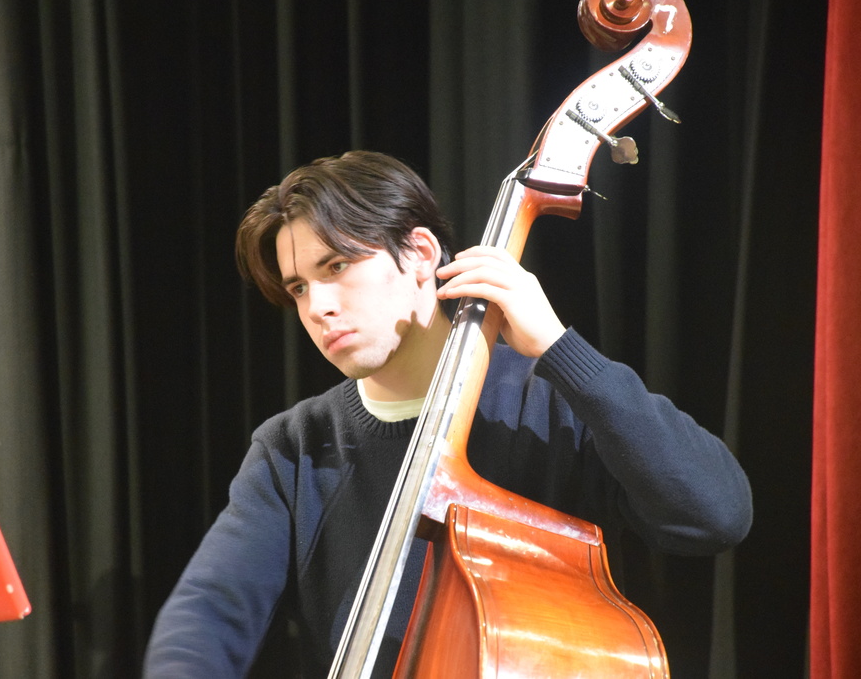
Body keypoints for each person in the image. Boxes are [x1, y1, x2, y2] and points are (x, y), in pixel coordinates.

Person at [143, 150, 753, 677]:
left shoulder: (554, 402)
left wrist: (561, 351)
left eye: (337, 266)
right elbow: (209, 612)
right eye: (299, 286)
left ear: (419, 253)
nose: (317, 306)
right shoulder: (295, 447)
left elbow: (715, 516)